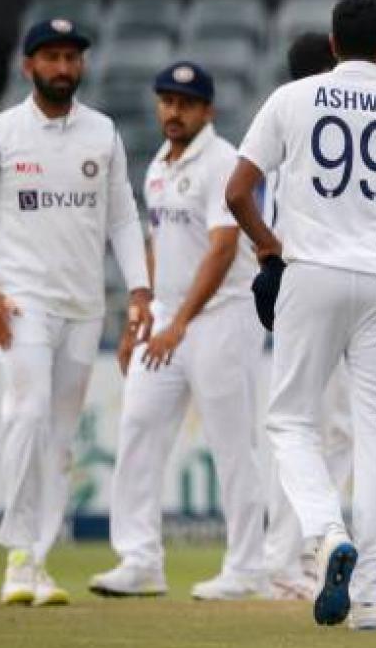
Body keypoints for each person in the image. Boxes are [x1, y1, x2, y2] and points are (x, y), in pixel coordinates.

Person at [224, 0, 376, 631]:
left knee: (291, 421)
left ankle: (325, 534)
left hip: (311, 272)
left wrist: (269, 248)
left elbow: (237, 191)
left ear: (331, 40)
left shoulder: (291, 100)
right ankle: (372, 597)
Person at [0, 17, 152, 605]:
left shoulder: (104, 133)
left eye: (71, 58)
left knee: (61, 439)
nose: (63, 68)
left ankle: (37, 562)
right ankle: (17, 556)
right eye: (52, 58)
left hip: (83, 304)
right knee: (29, 411)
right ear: (28, 66)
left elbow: (122, 219)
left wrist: (140, 291)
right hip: (22, 300)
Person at [87, 62, 267, 600]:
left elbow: (223, 247)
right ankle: (140, 559)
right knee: (139, 428)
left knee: (231, 442)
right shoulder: (159, 166)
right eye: (166, 100)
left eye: (186, 103)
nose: (174, 111)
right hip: (167, 317)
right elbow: (154, 245)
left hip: (223, 317)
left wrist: (181, 323)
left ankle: (245, 568)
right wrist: (137, 313)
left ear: (207, 109)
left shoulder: (224, 162)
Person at [256, 30, 355, 603]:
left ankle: (305, 552)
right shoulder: (300, 124)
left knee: (318, 425)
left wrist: (269, 257)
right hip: (314, 283)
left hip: (304, 285)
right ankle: (290, 559)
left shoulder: (287, 118)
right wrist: (274, 256)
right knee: (305, 425)